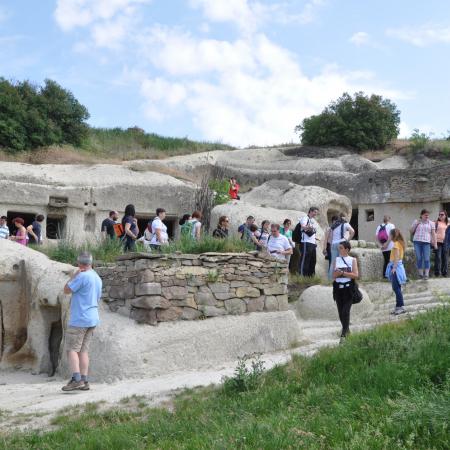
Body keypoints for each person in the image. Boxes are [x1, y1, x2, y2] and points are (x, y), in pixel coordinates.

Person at [62, 252, 102, 391]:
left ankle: (76, 379)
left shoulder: (82, 276)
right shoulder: (97, 277)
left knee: (71, 350)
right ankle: (84, 381)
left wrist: (73, 276)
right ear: (91, 262)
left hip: (80, 318)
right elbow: (97, 297)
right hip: (92, 317)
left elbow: (66, 290)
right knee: (83, 351)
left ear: (79, 263)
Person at [332, 240, 359, 341]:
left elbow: (356, 275)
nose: (339, 250)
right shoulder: (336, 260)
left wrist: (343, 273)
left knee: (345, 311)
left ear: (347, 249)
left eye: (341, 248)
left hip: (349, 289)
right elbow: (333, 276)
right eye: (339, 248)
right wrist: (337, 274)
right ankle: (347, 331)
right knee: (340, 312)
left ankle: (344, 334)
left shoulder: (353, 260)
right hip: (338, 289)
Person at [385, 228, 407, 315]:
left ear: (393, 236)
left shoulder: (396, 244)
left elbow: (397, 257)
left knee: (396, 288)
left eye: (390, 235)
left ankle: (400, 307)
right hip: (398, 266)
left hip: (396, 267)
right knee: (397, 287)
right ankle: (398, 306)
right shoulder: (399, 243)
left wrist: (394, 268)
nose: (389, 237)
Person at [410, 209, 437, 280]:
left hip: (426, 243)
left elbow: (434, 234)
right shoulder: (416, 221)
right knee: (419, 258)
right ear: (421, 215)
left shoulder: (431, 223)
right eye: (425, 215)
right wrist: (416, 224)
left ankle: (426, 275)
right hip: (417, 242)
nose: (427, 216)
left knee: (427, 259)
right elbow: (411, 231)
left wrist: (435, 243)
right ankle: (421, 274)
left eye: (428, 215)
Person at [328, 214, 355, 280]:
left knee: (333, 262)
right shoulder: (345, 224)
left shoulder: (333, 226)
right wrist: (347, 241)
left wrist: (331, 245)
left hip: (334, 244)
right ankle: (341, 278)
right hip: (341, 243)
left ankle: (330, 279)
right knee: (341, 261)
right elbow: (352, 232)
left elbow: (330, 238)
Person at [299, 207, 320, 277]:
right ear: (310, 211)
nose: (315, 214)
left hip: (312, 243)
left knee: (312, 261)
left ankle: (310, 277)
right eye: (314, 212)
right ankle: (302, 276)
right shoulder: (305, 218)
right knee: (305, 260)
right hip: (306, 242)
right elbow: (303, 227)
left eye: (316, 212)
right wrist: (310, 228)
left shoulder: (312, 220)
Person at [433, 210, 449, 277]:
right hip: (438, 242)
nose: (440, 216)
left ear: (445, 216)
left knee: (445, 257)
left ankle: (444, 273)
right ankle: (437, 273)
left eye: (442, 214)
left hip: (446, 242)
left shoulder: (448, 223)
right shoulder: (436, 222)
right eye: (439, 214)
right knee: (438, 257)